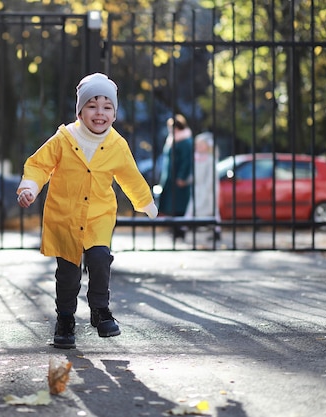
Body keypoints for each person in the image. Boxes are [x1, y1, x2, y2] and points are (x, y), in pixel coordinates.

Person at [16, 73, 158, 349]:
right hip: (65, 216)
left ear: (114, 114)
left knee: (100, 259)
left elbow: (131, 176)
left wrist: (146, 203)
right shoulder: (63, 139)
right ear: (80, 110)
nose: (100, 113)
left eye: (107, 107)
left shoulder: (117, 145)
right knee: (68, 273)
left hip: (98, 216)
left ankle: (100, 311)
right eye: (92, 105)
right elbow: (39, 165)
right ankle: (66, 320)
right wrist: (29, 187)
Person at [157, 114, 194, 239]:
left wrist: (182, 177)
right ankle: (174, 228)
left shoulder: (185, 141)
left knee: (179, 205)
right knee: (171, 205)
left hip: (178, 179)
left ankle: (180, 230)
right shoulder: (172, 139)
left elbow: (186, 160)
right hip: (170, 178)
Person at [183, 132, 222, 240]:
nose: (198, 147)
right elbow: (194, 174)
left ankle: (216, 230)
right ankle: (184, 228)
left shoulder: (210, 159)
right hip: (197, 188)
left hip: (208, 189)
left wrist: (206, 189)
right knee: (192, 208)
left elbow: (211, 177)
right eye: (197, 145)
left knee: (212, 210)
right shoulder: (196, 159)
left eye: (201, 144)